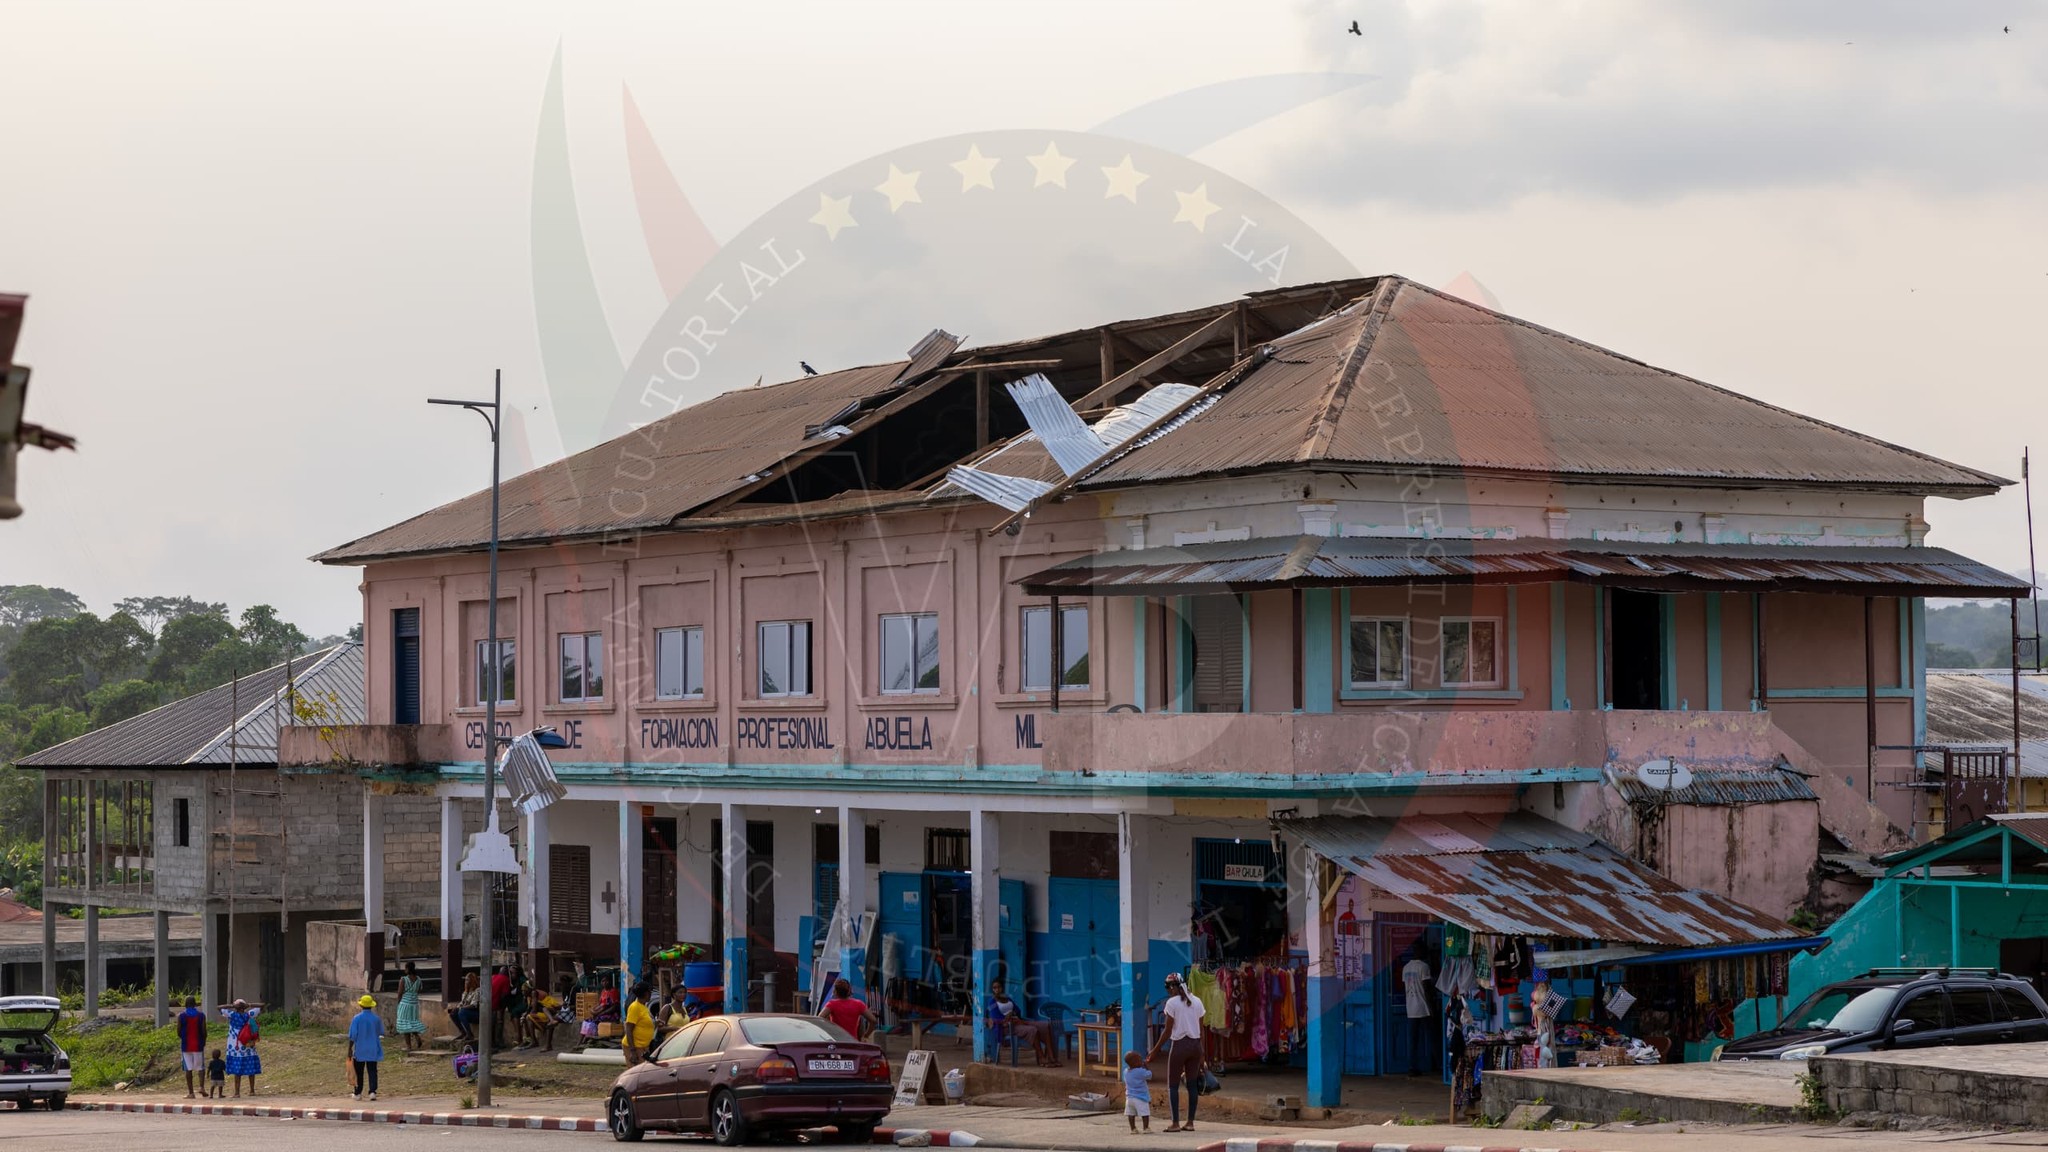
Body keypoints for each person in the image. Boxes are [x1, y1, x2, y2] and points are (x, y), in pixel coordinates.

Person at [1148, 972, 1206, 1132]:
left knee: (1173, 1085)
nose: (1167, 990)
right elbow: (1201, 1030)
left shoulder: (1172, 1003)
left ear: (1173, 987)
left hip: (1179, 1046)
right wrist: (1202, 1053)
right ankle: (1190, 1122)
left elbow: (1167, 1031)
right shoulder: (1197, 1001)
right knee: (1192, 1085)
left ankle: (1175, 1123)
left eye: (1168, 987)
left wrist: (1155, 1051)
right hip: (1195, 1046)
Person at [984, 979, 1056, 1066]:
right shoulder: (992, 1002)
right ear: (992, 989)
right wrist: (1009, 1016)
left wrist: (1013, 1013)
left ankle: (1051, 1056)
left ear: (1002, 988)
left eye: (999, 987)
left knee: (1045, 1025)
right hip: (1007, 1027)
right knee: (1033, 1030)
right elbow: (996, 1018)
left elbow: (1018, 1010)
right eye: (994, 988)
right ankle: (1041, 1057)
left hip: (1018, 1021)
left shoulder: (1007, 998)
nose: (997, 989)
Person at [1400, 949, 1434, 1076]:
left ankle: (1412, 1067)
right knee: (1432, 1036)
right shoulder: (1423, 967)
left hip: (1411, 1008)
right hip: (1423, 1007)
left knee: (1413, 1040)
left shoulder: (1406, 968)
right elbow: (1426, 988)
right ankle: (1439, 1064)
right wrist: (1432, 1008)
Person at [347, 993, 386, 1101]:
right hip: (373, 1048)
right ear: (371, 1006)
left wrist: (350, 1049)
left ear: (361, 1006)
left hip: (360, 1049)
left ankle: (358, 1092)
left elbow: (353, 1035)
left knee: (359, 1072)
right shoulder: (376, 1019)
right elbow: (381, 1032)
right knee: (372, 1070)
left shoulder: (357, 1018)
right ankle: (372, 1091)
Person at [221, 998, 262, 1097]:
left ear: (236, 1007)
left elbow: (220, 1007)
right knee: (251, 1070)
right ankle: (252, 1091)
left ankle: (237, 1092)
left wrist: (232, 1006)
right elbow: (262, 1006)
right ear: (244, 1007)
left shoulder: (232, 1015)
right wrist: (249, 1004)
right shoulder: (249, 1014)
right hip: (248, 1045)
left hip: (235, 1048)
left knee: (237, 1071)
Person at [176, 996, 207, 1099]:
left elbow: (178, 1031)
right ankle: (202, 1087)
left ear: (185, 1003)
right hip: (198, 1045)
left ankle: (191, 1093)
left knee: (188, 1069)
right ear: (195, 1004)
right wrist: (203, 1041)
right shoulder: (201, 1015)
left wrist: (184, 1037)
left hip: (186, 1045)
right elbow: (204, 1031)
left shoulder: (181, 1015)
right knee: (200, 1067)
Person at [622, 981, 656, 1066]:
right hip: (636, 1046)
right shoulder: (635, 1007)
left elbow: (643, 1023)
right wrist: (632, 1051)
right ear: (646, 993)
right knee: (637, 1073)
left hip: (643, 1046)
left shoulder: (643, 1006)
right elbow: (629, 1029)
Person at [395, 961, 427, 1051]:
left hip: (405, 1003)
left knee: (405, 1025)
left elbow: (400, 993)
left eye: (405, 968)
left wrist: (398, 1004)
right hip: (414, 1004)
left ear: (408, 969)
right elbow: (419, 990)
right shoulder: (418, 979)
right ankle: (417, 1036)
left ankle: (409, 1046)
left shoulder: (403, 979)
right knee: (412, 1022)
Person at [1122, 1050, 1152, 1133]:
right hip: (1140, 1097)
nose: (1142, 1061)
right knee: (1145, 1113)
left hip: (1129, 1098)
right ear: (1135, 1063)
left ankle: (1133, 1128)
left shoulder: (1125, 1071)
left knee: (1131, 1114)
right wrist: (1146, 1066)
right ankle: (1146, 1128)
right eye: (1140, 1060)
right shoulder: (1140, 1071)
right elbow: (1149, 1075)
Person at [453, 971, 481, 1045]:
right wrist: (458, 1007)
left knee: (462, 1012)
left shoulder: (477, 991)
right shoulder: (466, 992)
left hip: (475, 1013)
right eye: (465, 980)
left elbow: (474, 1005)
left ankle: (469, 1034)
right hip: (466, 1011)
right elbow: (462, 1002)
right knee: (453, 1013)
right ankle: (463, 1032)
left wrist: (463, 1008)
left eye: (467, 980)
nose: (466, 982)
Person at [489, 966, 512, 1048]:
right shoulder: (506, 980)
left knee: (491, 1024)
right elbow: (504, 995)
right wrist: (503, 1006)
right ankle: (498, 1041)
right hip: (496, 1004)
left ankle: (492, 1042)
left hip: (488, 1003)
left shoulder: (493, 977)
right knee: (499, 1022)